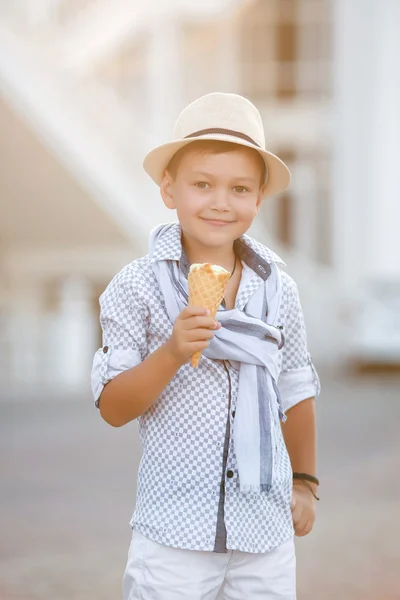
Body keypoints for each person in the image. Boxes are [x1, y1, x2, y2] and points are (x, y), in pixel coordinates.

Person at [91, 92, 321, 600]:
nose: (221, 202)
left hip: (264, 527)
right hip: (173, 533)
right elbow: (112, 407)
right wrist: (172, 352)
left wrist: (304, 481)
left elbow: (295, 387)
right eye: (202, 185)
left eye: (240, 188)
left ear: (259, 199)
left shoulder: (279, 288)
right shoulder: (136, 288)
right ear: (168, 190)